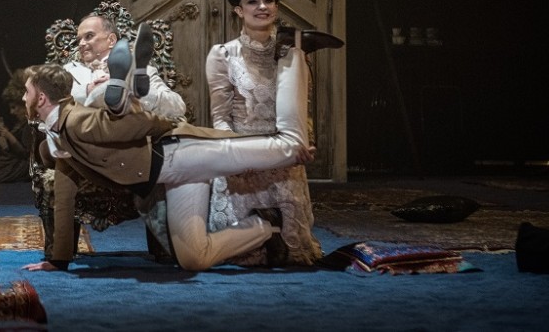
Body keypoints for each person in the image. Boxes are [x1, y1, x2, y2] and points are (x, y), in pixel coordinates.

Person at [21, 17, 343, 273]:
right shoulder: (63, 126)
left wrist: (151, 115)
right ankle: (266, 227)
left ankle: (294, 50)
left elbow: (161, 115)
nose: (81, 43)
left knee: (290, 146)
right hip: (167, 174)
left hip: (176, 152)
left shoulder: (72, 120)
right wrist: (58, 260)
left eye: (89, 36)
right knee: (193, 259)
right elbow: (64, 197)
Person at [205, 0, 328, 266]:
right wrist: (234, 157)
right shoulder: (223, 54)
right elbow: (220, 118)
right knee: (246, 256)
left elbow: (300, 108)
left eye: (269, 0)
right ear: (238, 10)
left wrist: (303, 142)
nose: (262, 7)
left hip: (282, 158)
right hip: (242, 157)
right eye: (252, 1)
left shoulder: (293, 52)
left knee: (294, 256)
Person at [64, 13, 186, 121]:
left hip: (133, 131)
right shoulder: (68, 70)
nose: (81, 44)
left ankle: (123, 87)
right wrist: (88, 90)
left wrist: (134, 90)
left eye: (89, 36)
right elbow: (56, 102)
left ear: (111, 40)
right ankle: (112, 90)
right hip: (90, 130)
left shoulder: (143, 70)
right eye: (79, 40)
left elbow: (178, 106)